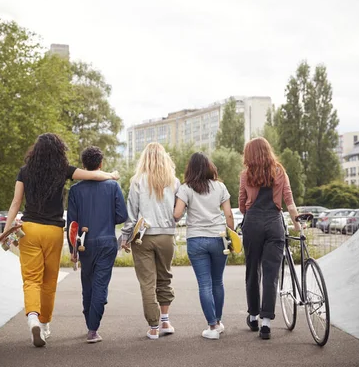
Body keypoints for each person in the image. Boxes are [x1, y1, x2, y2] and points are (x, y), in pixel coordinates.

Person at [3, 133, 119, 347]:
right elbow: (92, 176)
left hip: (29, 230)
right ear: (59, 151)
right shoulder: (63, 169)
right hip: (53, 231)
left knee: (31, 279)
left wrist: (7, 228)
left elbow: (15, 203)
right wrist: (111, 175)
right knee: (48, 281)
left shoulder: (25, 171)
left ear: (35, 151)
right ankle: (45, 324)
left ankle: (32, 318)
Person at [238, 137, 300, 340]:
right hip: (274, 223)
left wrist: (249, 208)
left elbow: (241, 204)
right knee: (271, 273)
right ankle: (266, 323)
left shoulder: (246, 175)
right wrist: (298, 226)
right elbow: (289, 201)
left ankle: (253, 316)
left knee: (252, 271)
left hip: (253, 223)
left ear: (249, 154)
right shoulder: (280, 171)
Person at [66, 146, 128, 343]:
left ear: (83, 165)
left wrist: (72, 250)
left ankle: (90, 322)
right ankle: (93, 328)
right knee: (101, 285)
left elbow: (72, 224)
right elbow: (122, 216)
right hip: (107, 241)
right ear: (101, 164)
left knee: (88, 284)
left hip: (84, 244)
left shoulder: (75, 190)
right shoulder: (112, 186)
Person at [120, 142, 179, 339]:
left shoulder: (137, 181)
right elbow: (179, 212)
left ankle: (153, 327)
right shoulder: (174, 181)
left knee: (147, 282)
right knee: (165, 277)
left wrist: (125, 237)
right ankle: (165, 321)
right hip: (166, 236)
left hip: (142, 237)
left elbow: (131, 213)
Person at [173, 152, 233, 340]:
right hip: (218, 238)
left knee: (205, 284)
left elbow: (176, 215)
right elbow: (229, 215)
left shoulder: (186, 188)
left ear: (190, 168)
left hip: (196, 240)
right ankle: (218, 322)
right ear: (209, 166)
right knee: (218, 281)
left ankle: (212, 326)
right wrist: (231, 236)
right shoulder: (220, 187)